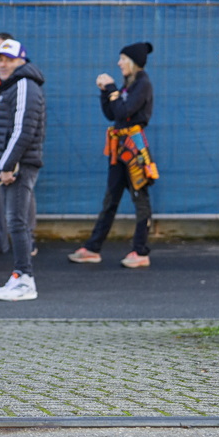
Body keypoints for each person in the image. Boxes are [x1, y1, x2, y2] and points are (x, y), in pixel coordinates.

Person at [69, 41, 155, 268]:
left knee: (140, 198)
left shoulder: (143, 84)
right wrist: (104, 92)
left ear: (133, 62)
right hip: (119, 149)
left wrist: (111, 89)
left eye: (123, 59)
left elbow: (124, 111)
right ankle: (93, 248)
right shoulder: (129, 85)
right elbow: (112, 114)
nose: (119, 63)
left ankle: (140, 251)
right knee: (111, 198)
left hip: (134, 149)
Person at [0, 39, 46, 301]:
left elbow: (23, 130)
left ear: (22, 61)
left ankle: (25, 279)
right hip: (15, 165)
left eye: (8, 59)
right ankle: (19, 275)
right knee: (16, 221)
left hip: (19, 167)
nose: (2, 64)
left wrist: (7, 165)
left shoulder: (24, 85)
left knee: (17, 222)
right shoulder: (14, 85)